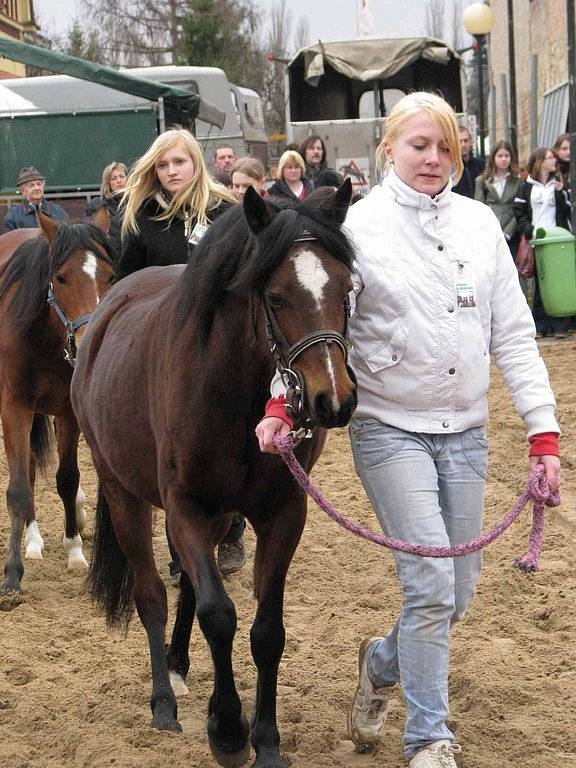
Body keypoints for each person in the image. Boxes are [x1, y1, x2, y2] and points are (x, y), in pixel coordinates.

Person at [256, 92, 561, 768]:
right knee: (429, 585)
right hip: (390, 428)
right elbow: (312, 325)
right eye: (419, 145)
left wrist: (543, 436)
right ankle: (429, 737)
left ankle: (383, 661)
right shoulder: (355, 229)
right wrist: (282, 405)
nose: (432, 159)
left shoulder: (481, 224)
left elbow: (513, 335)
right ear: (389, 147)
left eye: (444, 147)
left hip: (469, 431)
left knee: (460, 590)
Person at [118, 128, 247, 582]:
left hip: (223, 341)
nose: (172, 172)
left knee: (236, 431)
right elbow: (126, 285)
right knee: (177, 442)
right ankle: (182, 548)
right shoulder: (141, 219)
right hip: (167, 346)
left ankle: (232, 530)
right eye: (163, 165)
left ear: (196, 163)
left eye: (179, 162)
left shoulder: (226, 211)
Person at [513, 147, 571, 339]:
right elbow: (518, 211)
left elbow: (567, 211)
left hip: (556, 240)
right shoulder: (526, 186)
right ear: (539, 162)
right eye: (549, 158)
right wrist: (527, 230)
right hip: (536, 240)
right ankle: (539, 324)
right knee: (539, 283)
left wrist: (562, 193)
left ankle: (559, 325)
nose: (554, 161)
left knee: (557, 283)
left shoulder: (558, 185)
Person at [474, 140, 521, 256]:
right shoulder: (482, 181)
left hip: (512, 235)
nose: (504, 159)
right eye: (500, 156)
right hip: (489, 235)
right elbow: (478, 209)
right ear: (493, 157)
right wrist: (489, 231)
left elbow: (519, 209)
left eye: (507, 156)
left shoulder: (518, 180)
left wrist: (508, 232)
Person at [86, 161, 128, 263]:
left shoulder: (136, 203)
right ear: (108, 183)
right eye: (114, 178)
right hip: (109, 260)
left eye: (122, 177)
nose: (119, 181)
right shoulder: (97, 205)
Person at [4, 166, 68, 231]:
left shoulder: (58, 212)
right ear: (22, 191)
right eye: (31, 185)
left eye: (39, 184)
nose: (37, 188)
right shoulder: (13, 216)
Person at [451, 125, 485, 198]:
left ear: (471, 141)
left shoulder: (481, 164)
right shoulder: (450, 166)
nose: (463, 145)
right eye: (459, 141)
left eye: (466, 140)